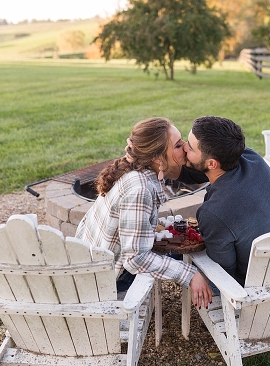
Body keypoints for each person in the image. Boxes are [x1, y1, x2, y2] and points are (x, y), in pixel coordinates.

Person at [76, 117, 213, 308]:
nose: (185, 148)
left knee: (181, 246)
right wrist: (190, 274)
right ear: (157, 158)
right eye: (177, 145)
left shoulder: (136, 171)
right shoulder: (139, 190)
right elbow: (135, 259)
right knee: (192, 260)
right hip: (108, 280)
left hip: (89, 262)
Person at [183, 116, 270, 289]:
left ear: (212, 163)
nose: (183, 147)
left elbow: (223, 273)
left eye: (189, 148)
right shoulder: (252, 158)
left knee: (175, 255)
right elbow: (202, 170)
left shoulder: (213, 212)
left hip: (253, 289)